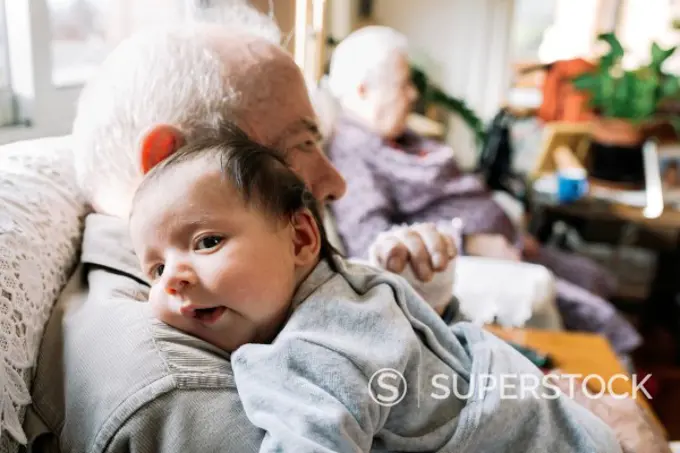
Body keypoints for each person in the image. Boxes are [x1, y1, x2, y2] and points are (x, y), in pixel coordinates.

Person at [22, 4, 457, 453]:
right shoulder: (184, 392)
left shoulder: (224, 292)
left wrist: (416, 305)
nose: (336, 182)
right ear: (168, 161)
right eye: (303, 143)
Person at [129, 121, 621, 452]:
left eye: (207, 241)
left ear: (301, 238)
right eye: (154, 270)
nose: (174, 277)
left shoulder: (316, 347)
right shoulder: (346, 287)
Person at [326, 25, 641, 356]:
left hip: (512, 244)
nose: (413, 95)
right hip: (484, 257)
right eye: (403, 85)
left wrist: (508, 227)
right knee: (603, 320)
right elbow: (371, 245)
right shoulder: (353, 152)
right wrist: (469, 241)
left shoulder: (394, 135)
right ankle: (631, 390)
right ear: (363, 91)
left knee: (595, 276)